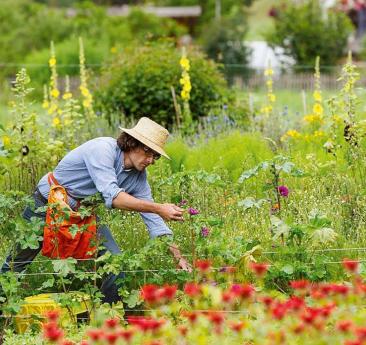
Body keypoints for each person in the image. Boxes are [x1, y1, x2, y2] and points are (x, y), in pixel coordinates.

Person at [0, 117, 191, 304]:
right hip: (47, 204)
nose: (151, 160)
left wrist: (178, 256)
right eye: (148, 152)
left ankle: (106, 321)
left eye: (155, 156)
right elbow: (113, 196)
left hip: (83, 215)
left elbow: (154, 220)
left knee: (115, 264)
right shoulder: (103, 149)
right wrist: (159, 208)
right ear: (132, 143)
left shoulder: (138, 177)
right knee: (17, 262)